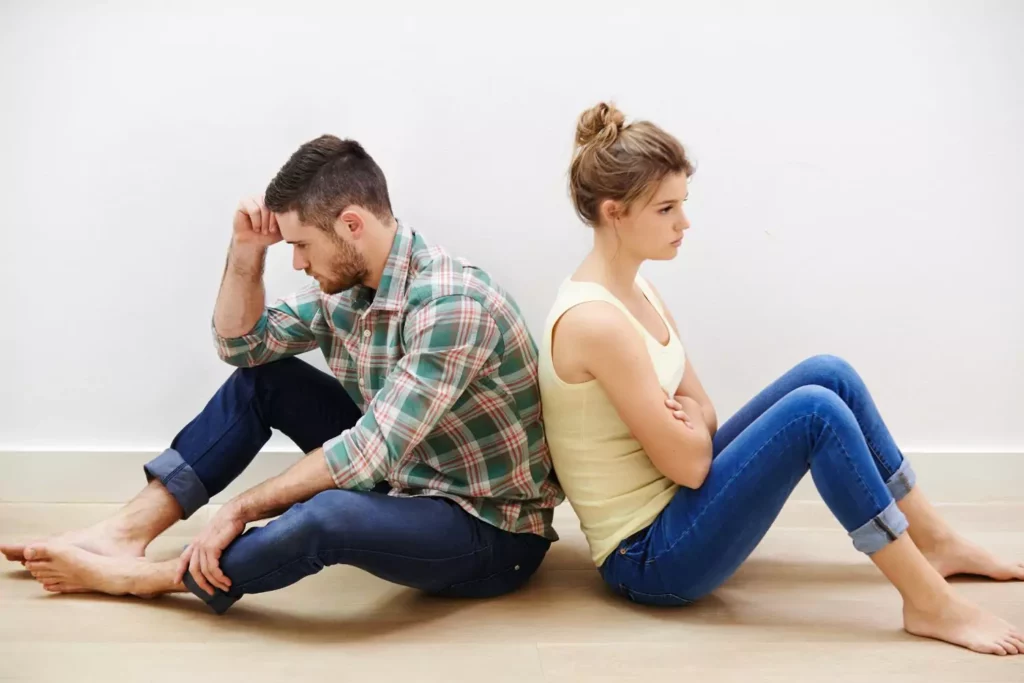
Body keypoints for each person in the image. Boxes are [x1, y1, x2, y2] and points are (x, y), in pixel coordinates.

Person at [538, 102, 1024, 655]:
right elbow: (694, 465)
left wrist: (691, 419)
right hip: (650, 557)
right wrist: (692, 425)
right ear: (615, 213)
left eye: (683, 204)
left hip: (677, 504)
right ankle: (928, 601)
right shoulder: (596, 321)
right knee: (815, 414)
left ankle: (935, 540)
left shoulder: (638, 289)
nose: (684, 223)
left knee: (828, 375)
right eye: (666, 209)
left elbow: (703, 408)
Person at [2, 135, 562, 613]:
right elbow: (239, 345)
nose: (296, 261)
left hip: (489, 529)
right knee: (264, 380)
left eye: (300, 245)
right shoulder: (348, 290)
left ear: (351, 224)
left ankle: (160, 577)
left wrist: (239, 509)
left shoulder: (451, 306)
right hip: (410, 476)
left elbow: (367, 455)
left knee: (330, 513)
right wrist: (247, 252)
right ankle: (123, 534)